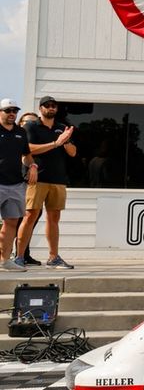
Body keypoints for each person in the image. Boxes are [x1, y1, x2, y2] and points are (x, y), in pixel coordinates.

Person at [13, 96, 76, 270]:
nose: (51, 108)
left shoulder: (62, 128)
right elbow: (29, 148)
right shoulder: (31, 126)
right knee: (30, 215)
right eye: (47, 105)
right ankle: (19, 257)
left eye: (53, 106)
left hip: (58, 179)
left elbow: (72, 153)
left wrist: (66, 141)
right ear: (40, 108)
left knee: (54, 218)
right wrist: (56, 143)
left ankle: (53, 257)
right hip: (37, 177)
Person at [0, 100, 37, 272]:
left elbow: (27, 155)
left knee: (12, 222)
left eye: (14, 110)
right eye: (8, 110)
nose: (12, 113)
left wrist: (33, 166)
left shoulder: (21, 132)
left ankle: (5, 261)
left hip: (15, 184)